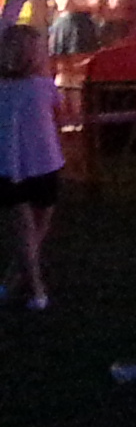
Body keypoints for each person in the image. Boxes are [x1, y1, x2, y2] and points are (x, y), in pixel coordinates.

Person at [1, 21, 60, 310]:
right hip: (43, 163)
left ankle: (19, 284)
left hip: (12, 167)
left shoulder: (6, 91)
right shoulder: (42, 87)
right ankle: (32, 288)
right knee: (36, 229)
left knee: (27, 231)